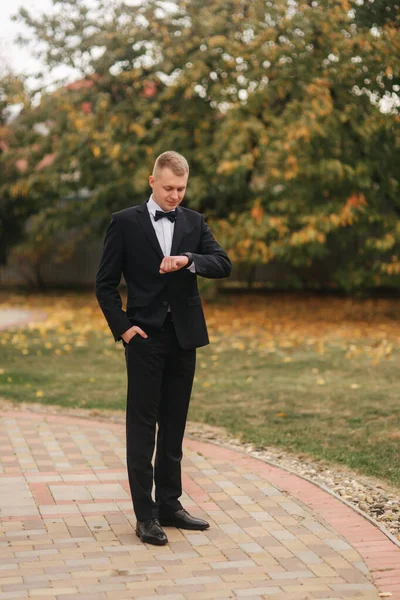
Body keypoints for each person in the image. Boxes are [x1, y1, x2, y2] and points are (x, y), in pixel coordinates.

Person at [95, 151, 231, 546]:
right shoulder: (124, 223)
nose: (175, 196)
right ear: (152, 181)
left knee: (174, 424)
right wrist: (124, 329)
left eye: (182, 189)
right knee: (142, 428)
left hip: (184, 336)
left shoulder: (194, 222)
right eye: (169, 188)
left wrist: (189, 259)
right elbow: (104, 285)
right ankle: (145, 515)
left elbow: (222, 263)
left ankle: (170, 504)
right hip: (144, 337)